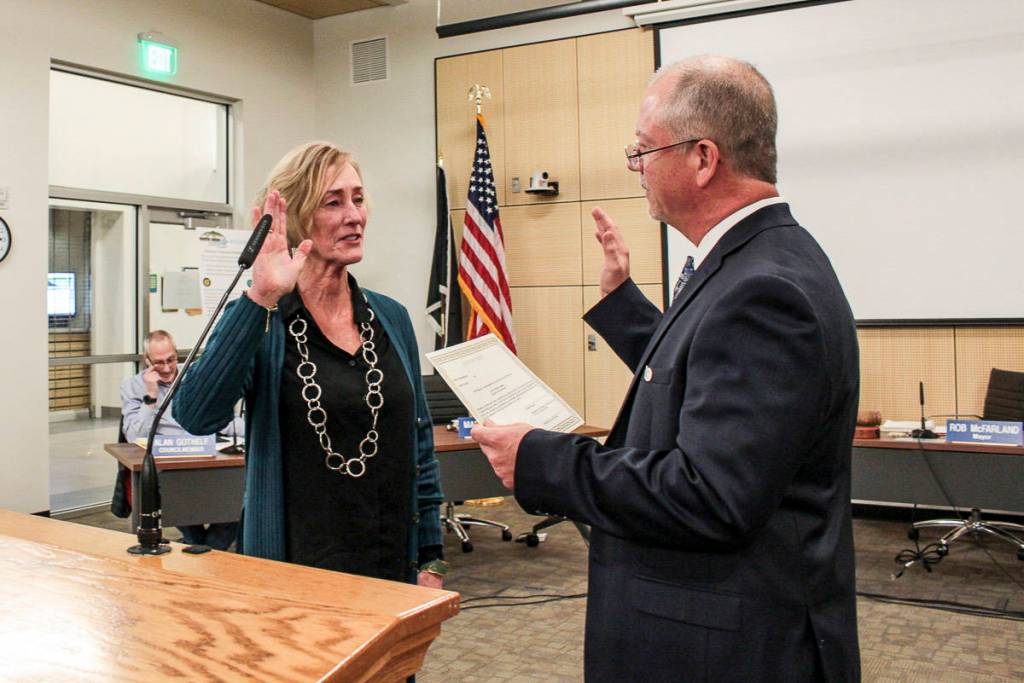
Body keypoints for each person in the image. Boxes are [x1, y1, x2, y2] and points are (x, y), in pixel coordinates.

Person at [473, 55, 861, 681]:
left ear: (704, 158)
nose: (635, 168)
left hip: (728, 645)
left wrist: (542, 461)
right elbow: (708, 375)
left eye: (645, 149)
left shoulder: (762, 289)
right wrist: (624, 305)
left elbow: (710, 495)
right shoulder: (760, 261)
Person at [173, 142, 447, 588]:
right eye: (333, 202)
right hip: (294, 569)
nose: (354, 215)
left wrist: (431, 557)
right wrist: (260, 297)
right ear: (298, 216)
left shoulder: (392, 317)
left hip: (391, 561)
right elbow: (196, 415)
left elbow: (418, 441)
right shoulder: (263, 320)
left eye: (358, 199)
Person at [120, 329, 241, 550]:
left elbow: (223, 419)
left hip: (208, 455)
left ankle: (203, 548)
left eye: (171, 360)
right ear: (147, 360)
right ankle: (205, 549)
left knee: (236, 494)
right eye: (159, 363)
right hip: (170, 466)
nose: (166, 368)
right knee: (178, 495)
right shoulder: (133, 387)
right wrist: (151, 395)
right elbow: (134, 435)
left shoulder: (194, 379)